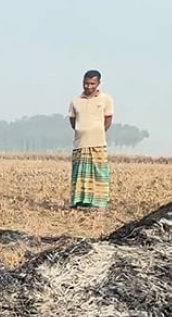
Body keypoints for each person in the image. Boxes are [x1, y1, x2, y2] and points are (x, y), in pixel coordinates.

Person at [68, 69, 114, 211]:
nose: (88, 87)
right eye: (86, 83)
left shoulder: (106, 99)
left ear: (98, 83)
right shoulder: (75, 102)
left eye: (92, 84)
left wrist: (97, 131)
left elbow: (108, 119)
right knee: (80, 175)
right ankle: (80, 203)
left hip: (98, 143)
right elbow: (73, 120)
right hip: (80, 144)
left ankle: (99, 205)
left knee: (99, 173)